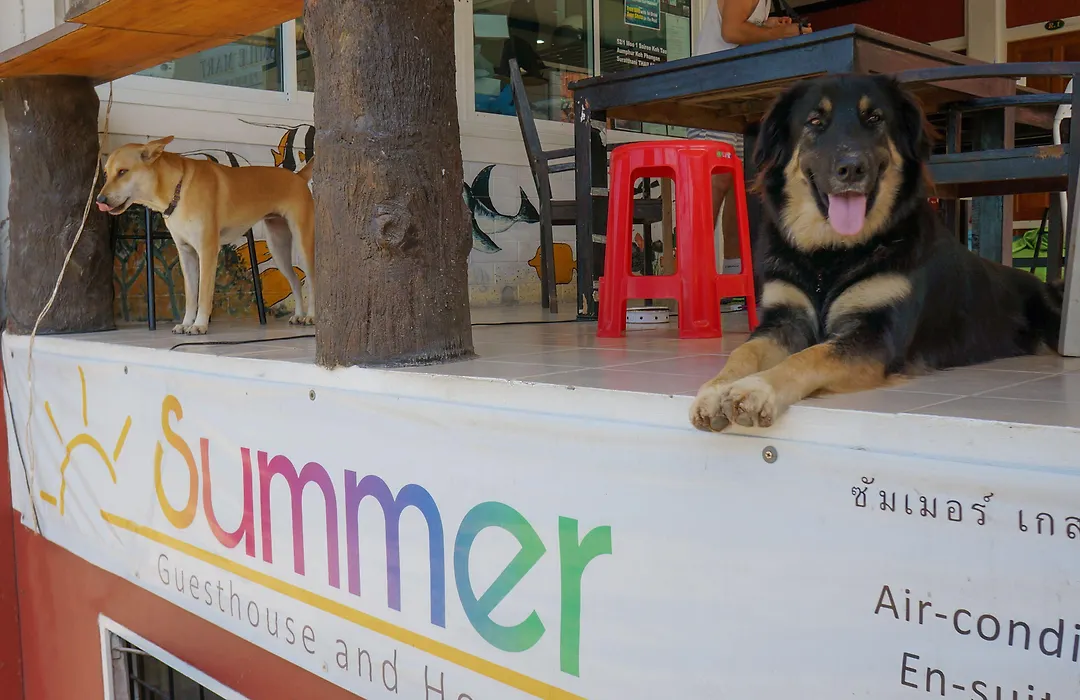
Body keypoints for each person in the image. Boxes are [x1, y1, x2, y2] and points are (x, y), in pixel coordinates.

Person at [688, 0, 809, 310]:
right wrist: (781, 35)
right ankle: (690, 282)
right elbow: (731, 31)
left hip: (733, 98)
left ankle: (731, 282)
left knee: (737, 189)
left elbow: (740, 25)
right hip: (710, 94)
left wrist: (769, 26)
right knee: (715, 184)